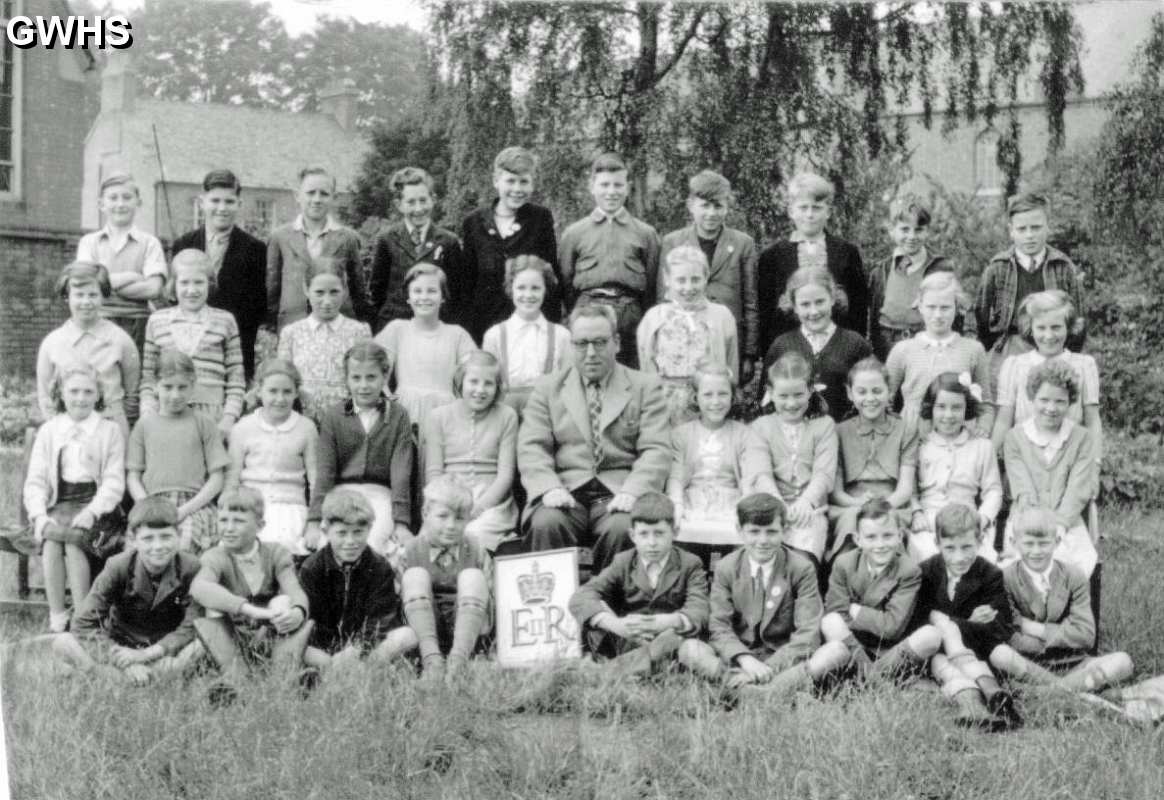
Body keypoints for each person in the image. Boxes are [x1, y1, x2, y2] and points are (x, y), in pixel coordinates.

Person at [518, 304, 671, 571]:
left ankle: (610, 608)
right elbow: (532, 447)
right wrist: (549, 487)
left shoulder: (645, 387)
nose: (590, 353)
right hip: (565, 490)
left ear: (617, 343)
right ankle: (555, 609)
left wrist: (633, 491)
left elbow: (656, 450)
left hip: (619, 490)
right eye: (581, 344)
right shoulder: (548, 388)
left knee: (625, 528)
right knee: (546, 523)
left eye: (600, 343)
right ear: (571, 345)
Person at [678, 493, 850, 696]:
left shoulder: (802, 568)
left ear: (784, 531)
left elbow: (807, 634)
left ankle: (744, 692)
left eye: (771, 532)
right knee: (690, 648)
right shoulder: (726, 567)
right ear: (739, 531)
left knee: (837, 651)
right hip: (739, 657)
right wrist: (746, 660)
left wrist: (766, 669)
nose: (763, 540)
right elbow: (719, 627)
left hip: (783, 658)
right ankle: (772, 693)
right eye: (754, 532)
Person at [53, 496, 203, 684]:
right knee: (63, 642)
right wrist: (125, 661)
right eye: (148, 538)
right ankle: (135, 677)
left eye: (166, 537)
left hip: (162, 649)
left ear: (179, 535)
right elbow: (83, 623)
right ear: (133, 540)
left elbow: (192, 624)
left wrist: (147, 654)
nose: (157, 546)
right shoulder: (118, 566)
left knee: (202, 645)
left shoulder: (191, 567)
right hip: (121, 645)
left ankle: (108, 677)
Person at [24, 363, 125, 632]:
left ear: (98, 395)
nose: (80, 398)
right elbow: (35, 482)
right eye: (74, 391)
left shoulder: (109, 431)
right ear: (61, 394)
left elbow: (114, 482)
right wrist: (39, 515)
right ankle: (57, 615)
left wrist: (93, 511)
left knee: (73, 540)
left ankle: (83, 617)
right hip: (59, 504)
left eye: (88, 391)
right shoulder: (50, 430)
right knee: (51, 538)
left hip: (99, 509)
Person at [988, 507, 1132, 693]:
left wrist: (1032, 628)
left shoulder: (1073, 576)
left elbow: (1086, 635)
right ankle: (1078, 689)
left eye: (1043, 543)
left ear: (1056, 542)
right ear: (1014, 542)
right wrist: (1064, 636)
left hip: (1074, 662)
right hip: (1028, 664)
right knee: (1000, 655)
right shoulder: (1004, 578)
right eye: (1029, 544)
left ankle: (1044, 692)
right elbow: (1012, 637)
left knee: (1123, 661)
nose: (1036, 551)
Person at [568, 493, 709, 677]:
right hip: (631, 640)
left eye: (659, 533)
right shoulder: (623, 562)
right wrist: (615, 624)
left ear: (674, 532)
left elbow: (700, 610)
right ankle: (642, 667)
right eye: (644, 534)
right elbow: (581, 597)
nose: (651, 543)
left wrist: (667, 621)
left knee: (674, 640)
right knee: (597, 609)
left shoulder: (690, 564)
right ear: (633, 535)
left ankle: (607, 673)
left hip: (669, 638)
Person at [912, 503, 1018, 729]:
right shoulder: (925, 573)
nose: (959, 557)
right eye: (950, 548)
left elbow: (1001, 627)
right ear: (937, 544)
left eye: (967, 547)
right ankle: (984, 697)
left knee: (945, 649)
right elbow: (916, 624)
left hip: (977, 652)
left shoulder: (990, 574)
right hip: (936, 652)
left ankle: (979, 703)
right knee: (941, 661)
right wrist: (966, 623)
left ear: (980, 541)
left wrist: (949, 624)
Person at [308, 342, 414, 566]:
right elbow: (325, 473)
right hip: (341, 493)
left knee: (371, 542)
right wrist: (314, 520)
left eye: (371, 377)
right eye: (356, 378)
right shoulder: (334, 416)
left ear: (385, 376)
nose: (363, 385)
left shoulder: (398, 416)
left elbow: (401, 473)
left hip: (380, 495)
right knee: (331, 546)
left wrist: (401, 522)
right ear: (346, 379)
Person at [191, 487, 313, 681]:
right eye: (223, 520)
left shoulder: (275, 553)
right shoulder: (215, 556)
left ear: (259, 525)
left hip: (270, 637)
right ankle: (236, 681)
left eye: (238, 521)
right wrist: (251, 610)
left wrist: (298, 612)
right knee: (212, 610)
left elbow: (295, 591)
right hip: (229, 641)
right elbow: (199, 587)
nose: (228, 528)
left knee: (283, 601)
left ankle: (282, 677)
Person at [820, 499, 941, 682]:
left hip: (890, 651)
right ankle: (877, 681)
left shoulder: (908, 570)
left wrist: (856, 610)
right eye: (871, 537)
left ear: (900, 536)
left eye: (887, 536)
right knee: (830, 621)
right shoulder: (844, 563)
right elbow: (835, 610)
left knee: (931, 636)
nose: (880, 544)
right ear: (857, 539)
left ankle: (864, 678)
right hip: (852, 643)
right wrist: (870, 619)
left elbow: (892, 627)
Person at [666, 364, 774, 568]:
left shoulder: (744, 434)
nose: (715, 402)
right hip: (691, 505)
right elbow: (675, 477)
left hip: (730, 505)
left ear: (733, 397)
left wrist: (744, 508)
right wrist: (677, 504)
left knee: (739, 546)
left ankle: (728, 588)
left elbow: (748, 478)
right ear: (695, 397)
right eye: (708, 395)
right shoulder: (681, 434)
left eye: (722, 394)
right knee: (683, 545)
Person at [559, 152, 661, 368]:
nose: (611, 192)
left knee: (629, 376)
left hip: (630, 315)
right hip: (588, 310)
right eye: (604, 185)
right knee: (588, 372)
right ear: (592, 186)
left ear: (627, 186)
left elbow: (652, 285)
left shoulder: (645, 233)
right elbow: (565, 284)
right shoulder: (575, 233)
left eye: (618, 185)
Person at [659, 170, 760, 385]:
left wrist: (749, 354)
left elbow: (751, 301)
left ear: (727, 207)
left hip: (727, 341)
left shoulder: (743, 244)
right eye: (705, 206)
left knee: (723, 398)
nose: (711, 213)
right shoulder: (673, 242)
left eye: (718, 206)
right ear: (691, 205)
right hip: (683, 338)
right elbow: (664, 299)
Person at [976, 192, 1086, 390]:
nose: (1029, 235)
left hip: (1052, 345)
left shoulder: (1062, 266)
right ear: (1011, 231)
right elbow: (980, 316)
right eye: (1022, 229)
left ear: (1048, 227)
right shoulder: (998, 267)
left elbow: (1077, 320)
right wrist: (993, 348)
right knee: (1005, 400)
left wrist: (1067, 352)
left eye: (1036, 227)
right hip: (1010, 347)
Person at [300, 488, 417, 671]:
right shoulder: (312, 568)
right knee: (294, 645)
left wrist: (356, 648)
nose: (350, 541)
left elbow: (380, 619)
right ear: (326, 530)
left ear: (370, 529)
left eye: (358, 532)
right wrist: (333, 653)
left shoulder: (379, 567)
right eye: (342, 533)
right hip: (323, 648)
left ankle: (360, 670)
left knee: (407, 635)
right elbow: (312, 619)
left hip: (363, 648)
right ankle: (333, 670)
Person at [1001, 360, 1098, 578]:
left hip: (1067, 522)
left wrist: (1060, 527)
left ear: (1070, 401)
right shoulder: (1015, 437)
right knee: (1024, 565)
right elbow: (1023, 490)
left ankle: (1064, 611)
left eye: (1060, 401)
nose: (1051, 408)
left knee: (1077, 562)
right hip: (1025, 521)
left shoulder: (1082, 438)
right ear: (1032, 398)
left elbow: (1078, 490)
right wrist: (1040, 530)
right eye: (1044, 400)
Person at [126, 350, 229, 554]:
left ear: (193, 386)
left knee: (182, 550)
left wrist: (185, 509)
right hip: (151, 505)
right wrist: (146, 506)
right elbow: (133, 476)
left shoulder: (204, 423)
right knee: (139, 554)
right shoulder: (144, 425)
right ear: (155, 385)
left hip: (193, 506)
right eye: (167, 387)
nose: (175, 395)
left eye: (182, 387)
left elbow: (217, 478)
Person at [171, 169, 268, 381]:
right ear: (202, 202)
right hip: (190, 347)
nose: (222, 208)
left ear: (239, 204)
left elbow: (258, 307)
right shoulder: (183, 244)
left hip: (235, 350)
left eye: (229, 202)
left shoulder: (256, 249)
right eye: (215, 201)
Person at [756, 172, 867, 355]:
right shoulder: (772, 256)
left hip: (837, 347)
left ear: (828, 211)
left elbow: (859, 309)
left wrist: (854, 349)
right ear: (791, 211)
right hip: (788, 347)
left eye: (816, 208)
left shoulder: (847, 252)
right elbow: (765, 310)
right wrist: (770, 352)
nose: (809, 215)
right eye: (803, 207)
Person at [140, 249, 245, 439]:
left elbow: (236, 377)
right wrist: (148, 414)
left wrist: (229, 419)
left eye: (199, 282)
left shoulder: (225, 321)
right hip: (167, 415)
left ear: (209, 284)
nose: (192, 290)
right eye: (184, 282)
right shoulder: (157, 321)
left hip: (212, 416)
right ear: (173, 285)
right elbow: (148, 377)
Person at [461, 146, 561, 342]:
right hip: (485, 325)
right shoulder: (473, 222)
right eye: (510, 181)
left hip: (530, 324)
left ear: (532, 184)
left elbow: (550, 276)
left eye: (524, 182)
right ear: (496, 181)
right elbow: (467, 284)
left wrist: (552, 326)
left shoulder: (540, 218)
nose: (517, 189)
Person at [399, 476, 492, 683]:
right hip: (424, 631)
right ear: (425, 514)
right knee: (415, 575)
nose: (451, 525)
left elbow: (491, 602)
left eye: (459, 518)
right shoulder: (410, 551)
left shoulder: (476, 549)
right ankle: (432, 663)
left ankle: (458, 663)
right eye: (442, 516)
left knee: (473, 576)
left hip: (468, 628)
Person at [424, 352, 519, 553]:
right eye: (473, 382)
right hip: (447, 498)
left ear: (497, 387)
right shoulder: (438, 417)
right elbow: (434, 474)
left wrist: (478, 507)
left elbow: (505, 476)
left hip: (491, 502)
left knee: (473, 535)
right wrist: (449, 505)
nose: (480, 390)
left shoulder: (506, 416)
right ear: (461, 382)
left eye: (488, 384)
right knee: (428, 541)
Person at [991, 290, 1102, 459]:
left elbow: (1093, 422)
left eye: (1056, 327)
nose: (1048, 336)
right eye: (1041, 328)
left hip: (1070, 459)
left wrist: (1095, 462)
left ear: (1069, 327)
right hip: (1024, 460)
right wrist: (987, 460)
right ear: (1031, 328)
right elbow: (1003, 421)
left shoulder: (1084, 365)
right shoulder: (1015, 366)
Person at [749, 352, 837, 566]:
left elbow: (824, 474)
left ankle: (803, 597)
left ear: (810, 391)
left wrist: (806, 502)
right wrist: (777, 503)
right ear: (770, 393)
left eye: (798, 394)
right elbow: (760, 473)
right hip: (770, 506)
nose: (791, 403)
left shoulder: (824, 426)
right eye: (783, 396)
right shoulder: (760, 427)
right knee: (765, 555)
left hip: (811, 509)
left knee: (802, 561)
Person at [36, 261, 139, 441]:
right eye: (79, 295)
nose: (86, 302)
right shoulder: (52, 343)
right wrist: (60, 427)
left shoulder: (120, 340)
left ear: (103, 297)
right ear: (67, 297)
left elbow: (132, 394)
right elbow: (45, 396)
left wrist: (118, 424)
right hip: (66, 430)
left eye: (93, 295)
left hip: (111, 430)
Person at [226, 359, 318, 557]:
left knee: (278, 546)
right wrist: (227, 514)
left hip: (289, 506)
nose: (280, 398)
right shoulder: (243, 427)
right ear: (259, 391)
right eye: (273, 391)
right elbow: (232, 479)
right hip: (249, 504)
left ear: (296, 393)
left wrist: (314, 521)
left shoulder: (306, 428)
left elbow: (315, 479)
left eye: (287, 392)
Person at [636, 245, 739, 424]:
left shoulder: (721, 316)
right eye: (681, 280)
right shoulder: (654, 318)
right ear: (667, 279)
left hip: (707, 403)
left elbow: (730, 366)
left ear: (706, 278)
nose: (688, 287)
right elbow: (646, 367)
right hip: (665, 404)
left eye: (695, 279)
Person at [828, 358, 916, 560]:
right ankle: (846, 580)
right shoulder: (839, 432)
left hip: (892, 504)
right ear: (850, 393)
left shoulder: (906, 430)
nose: (870, 398)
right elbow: (836, 492)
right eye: (862, 392)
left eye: (877, 391)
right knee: (854, 522)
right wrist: (858, 504)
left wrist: (882, 506)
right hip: (851, 506)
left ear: (890, 392)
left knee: (886, 523)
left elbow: (904, 490)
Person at [266, 165, 373, 333]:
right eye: (310, 193)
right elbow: (272, 288)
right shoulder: (280, 237)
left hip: (338, 326)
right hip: (293, 325)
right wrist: (272, 325)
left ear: (334, 198)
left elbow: (358, 289)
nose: (317, 199)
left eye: (324, 194)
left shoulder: (347, 238)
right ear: (297, 195)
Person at [887, 271, 993, 436]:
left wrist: (983, 429)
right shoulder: (902, 350)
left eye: (945, 308)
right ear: (920, 306)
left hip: (959, 434)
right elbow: (886, 400)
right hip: (912, 435)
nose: (938, 315)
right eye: (931, 307)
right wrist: (893, 433)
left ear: (957, 308)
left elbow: (985, 404)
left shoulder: (973, 349)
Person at [911, 373, 1002, 563]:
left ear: (966, 409)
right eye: (941, 407)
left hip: (969, 522)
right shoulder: (920, 446)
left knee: (980, 561)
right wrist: (916, 512)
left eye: (957, 408)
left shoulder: (981, 446)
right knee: (928, 558)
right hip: (929, 523)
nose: (948, 415)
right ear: (931, 409)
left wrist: (982, 519)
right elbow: (910, 489)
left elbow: (993, 491)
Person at [762, 265, 872, 422]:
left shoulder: (856, 344)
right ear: (794, 306)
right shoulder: (781, 346)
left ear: (832, 299)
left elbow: (870, 394)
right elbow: (766, 401)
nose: (814, 311)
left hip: (844, 435)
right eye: (805, 304)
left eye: (820, 302)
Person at [373, 263, 476, 430]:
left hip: (445, 415)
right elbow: (377, 373)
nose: (424, 297)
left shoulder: (457, 335)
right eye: (417, 291)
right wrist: (391, 406)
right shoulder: (397, 329)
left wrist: (461, 408)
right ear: (408, 297)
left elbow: (475, 373)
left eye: (432, 291)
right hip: (404, 414)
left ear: (443, 296)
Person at [75, 172, 168, 357]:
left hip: (138, 322)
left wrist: (105, 283)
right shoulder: (89, 242)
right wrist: (132, 277)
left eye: (127, 197)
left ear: (138, 202)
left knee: (133, 379)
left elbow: (154, 289)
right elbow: (85, 284)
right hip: (97, 318)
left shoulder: (150, 243)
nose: (120, 204)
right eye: (113, 198)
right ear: (102, 204)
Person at [369, 166, 466, 334]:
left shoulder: (448, 241)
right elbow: (378, 289)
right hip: (395, 326)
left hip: (436, 326)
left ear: (433, 199)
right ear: (399, 204)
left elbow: (456, 293)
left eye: (423, 200)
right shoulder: (386, 239)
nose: (418, 209)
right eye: (411, 202)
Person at [276, 259, 372, 424]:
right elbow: (284, 381)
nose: (327, 301)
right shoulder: (291, 333)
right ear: (306, 290)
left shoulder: (358, 332)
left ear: (345, 291)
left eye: (334, 292)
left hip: (346, 423)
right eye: (319, 292)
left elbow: (366, 382)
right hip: (301, 422)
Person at [867, 195, 961, 361]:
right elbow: (872, 318)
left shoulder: (940, 267)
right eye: (904, 229)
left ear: (928, 231)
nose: (912, 236)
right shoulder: (881, 271)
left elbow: (956, 313)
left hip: (928, 347)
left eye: (918, 230)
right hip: (887, 347)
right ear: (891, 231)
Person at [481, 254, 573, 414]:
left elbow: (569, 384)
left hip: (547, 416)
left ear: (546, 289)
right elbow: (487, 382)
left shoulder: (562, 336)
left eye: (535, 288)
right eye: (521, 288)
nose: (528, 295)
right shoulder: (494, 335)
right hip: (505, 417)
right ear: (511, 288)